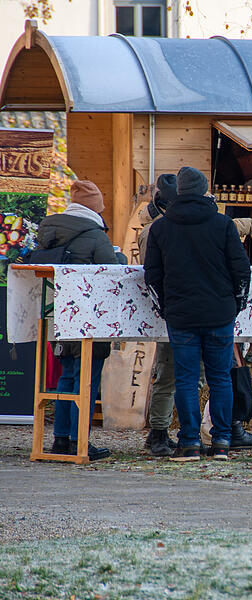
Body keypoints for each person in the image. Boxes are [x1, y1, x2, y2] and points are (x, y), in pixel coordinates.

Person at [138, 174, 252, 456]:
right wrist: (236, 303)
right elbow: (241, 270)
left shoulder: (161, 228)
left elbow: (152, 276)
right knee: (220, 378)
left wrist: (164, 307)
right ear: (205, 191)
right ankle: (221, 442)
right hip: (219, 312)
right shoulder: (222, 224)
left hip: (180, 315)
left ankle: (189, 442)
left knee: (184, 380)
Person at [38, 180, 120, 461]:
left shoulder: (50, 231)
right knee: (87, 380)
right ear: (94, 207)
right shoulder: (95, 236)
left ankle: (60, 439)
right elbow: (113, 272)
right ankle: (79, 440)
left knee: (67, 377)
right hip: (88, 318)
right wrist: (119, 254)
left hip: (58, 318)